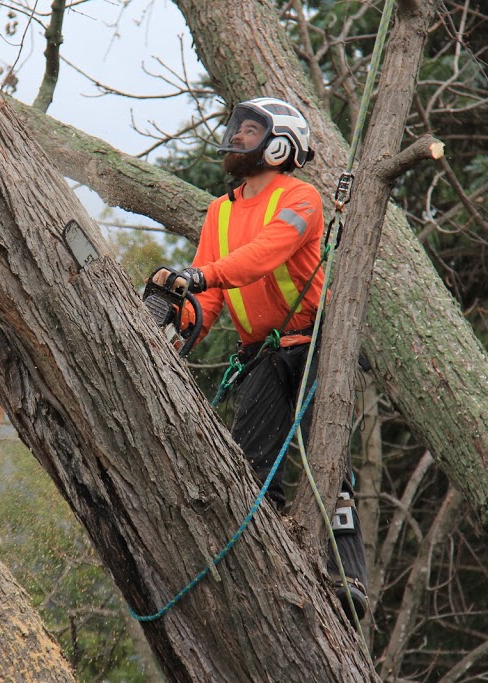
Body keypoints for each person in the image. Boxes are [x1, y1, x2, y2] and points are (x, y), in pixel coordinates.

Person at [150, 96, 368, 621]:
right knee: (248, 468)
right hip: (261, 354)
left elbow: (262, 256)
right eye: (238, 128)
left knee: (327, 462)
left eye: (250, 130)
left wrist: (199, 276)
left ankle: (348, 576)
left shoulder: (303, 198)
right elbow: (208, 298)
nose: (238, 137)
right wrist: (174, 324)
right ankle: (270, 574)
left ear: (280, 143)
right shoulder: (219, 211)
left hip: (317, 344)